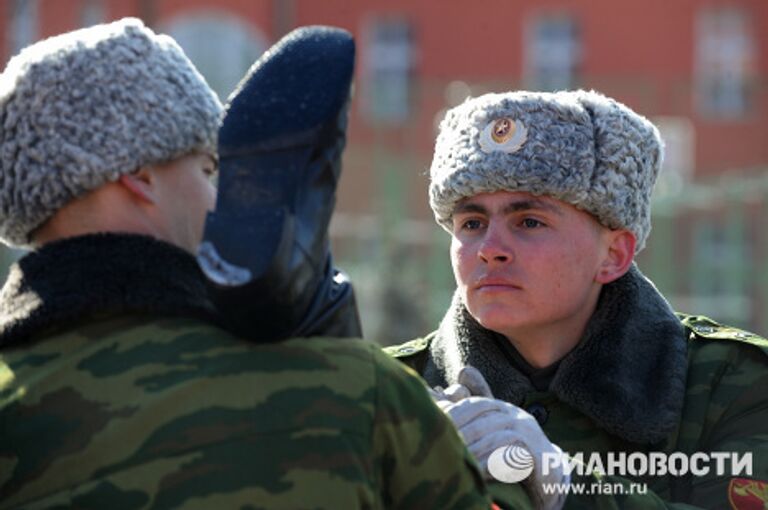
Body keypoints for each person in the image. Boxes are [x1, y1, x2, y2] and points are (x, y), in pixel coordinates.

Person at [0, 19, 500, 509]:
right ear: (139, 177)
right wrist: (506, 480)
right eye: (205, 169)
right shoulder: (359, 394)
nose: (217, 199)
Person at [386, 90, 768, 509]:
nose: (489, 248)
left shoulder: (733, 385)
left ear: (613, 254)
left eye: (529, 221)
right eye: (472, 222)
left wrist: (565, 486)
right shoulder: (389, 392)